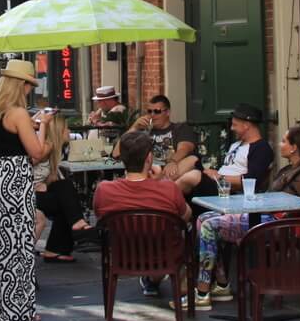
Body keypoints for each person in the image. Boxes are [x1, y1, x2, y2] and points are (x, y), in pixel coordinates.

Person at [193, 125, 300, 307]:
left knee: (210, 225)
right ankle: (222, 283)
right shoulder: (287, 170)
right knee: (203, 219)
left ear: (294, 147)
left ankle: (202, 292)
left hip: (278, 225)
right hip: (265, 217)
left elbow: (285, 203)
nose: (280, 145)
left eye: (283, 141)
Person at [0, 59, 56, 321]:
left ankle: (0, 307)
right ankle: (20, 310)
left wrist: (32, 124)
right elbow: (36, 153)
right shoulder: (19, 114)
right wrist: (43, 124)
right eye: (28, 86)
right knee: (20, 244)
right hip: (16, 178)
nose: (28, 91)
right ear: (19, 85)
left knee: (1, 243)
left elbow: (9, 139)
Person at [93, 130, 192, 298]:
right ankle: (186, 289)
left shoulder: (104, 190)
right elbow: (185, 216)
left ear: (123, 158)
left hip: (122, 258)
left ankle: (152, 281)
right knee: (191, 231)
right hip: (165, 256)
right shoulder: (168, 188)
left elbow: (101, 218)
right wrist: (158, 182)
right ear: (149, 158)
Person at [113, 94, 202, 196]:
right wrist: (134, 127)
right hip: (146, 174)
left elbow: (184, 149)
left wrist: (172, 161)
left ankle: (156, 187)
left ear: (167, 112)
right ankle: (157, 188)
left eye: (157, 111)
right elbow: (116, 154)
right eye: (149, 111)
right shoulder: (143, 133)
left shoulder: (180, 128)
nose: (152, 115)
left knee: (192, 160)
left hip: (170, 172)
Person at [34, 116, 91, 262]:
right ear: (58, 131)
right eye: (66, 128)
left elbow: (51, 179)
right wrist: (35, 186)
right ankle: (75, 226)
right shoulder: (45, 147)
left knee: (65, 190)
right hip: (25, 195)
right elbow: (26, 167)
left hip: (36, 194)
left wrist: (45, 184)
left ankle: (56, 248)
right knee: (66, 199)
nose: (69, 131)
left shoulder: (53, 150)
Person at [203, 103, 274, 194]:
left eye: (234, 125)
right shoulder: (236, 144)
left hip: (231, 191)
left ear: (246, 126)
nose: (232, 128)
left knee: (192, 177)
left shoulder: (261, 149)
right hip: (218, 185)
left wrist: (219, 177)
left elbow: (251, 180)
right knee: (193, 161)